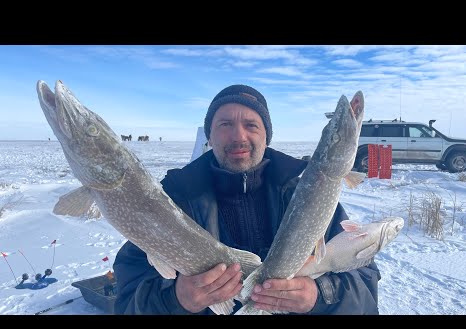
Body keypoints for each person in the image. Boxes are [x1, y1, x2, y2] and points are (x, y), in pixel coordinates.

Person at [113, 84, 381, 315]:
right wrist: (175, 300)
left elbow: (365, 283)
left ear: (266, 135)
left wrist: (320, 296)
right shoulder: (172, 201)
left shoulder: (306, 196)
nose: (238, 136)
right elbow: (127, 299)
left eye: (251, 125)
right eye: (225, 124)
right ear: (209, 136)